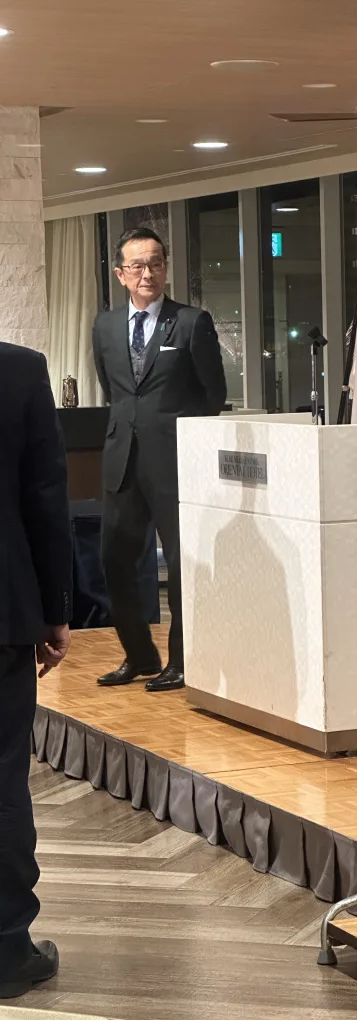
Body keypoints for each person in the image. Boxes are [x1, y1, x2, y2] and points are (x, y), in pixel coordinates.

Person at [93, 227, 227, 692]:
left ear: (166, 267)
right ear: (120, 274)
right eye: (137, 266)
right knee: (115, 561)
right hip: (121, 461)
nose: (147, 273)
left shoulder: (191, 322)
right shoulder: (105, 326)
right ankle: (139, 654)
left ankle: (182, 661)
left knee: (182, 564)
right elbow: (114, 390)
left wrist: (178, 436)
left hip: (175, 463)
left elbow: (213, 395)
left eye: (155, 263)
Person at [0, 343, 72, 997]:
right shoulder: (19, 369)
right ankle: (6, 952)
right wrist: (55, 611)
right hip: (2, 614)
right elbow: (46, 497)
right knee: (2, 785)